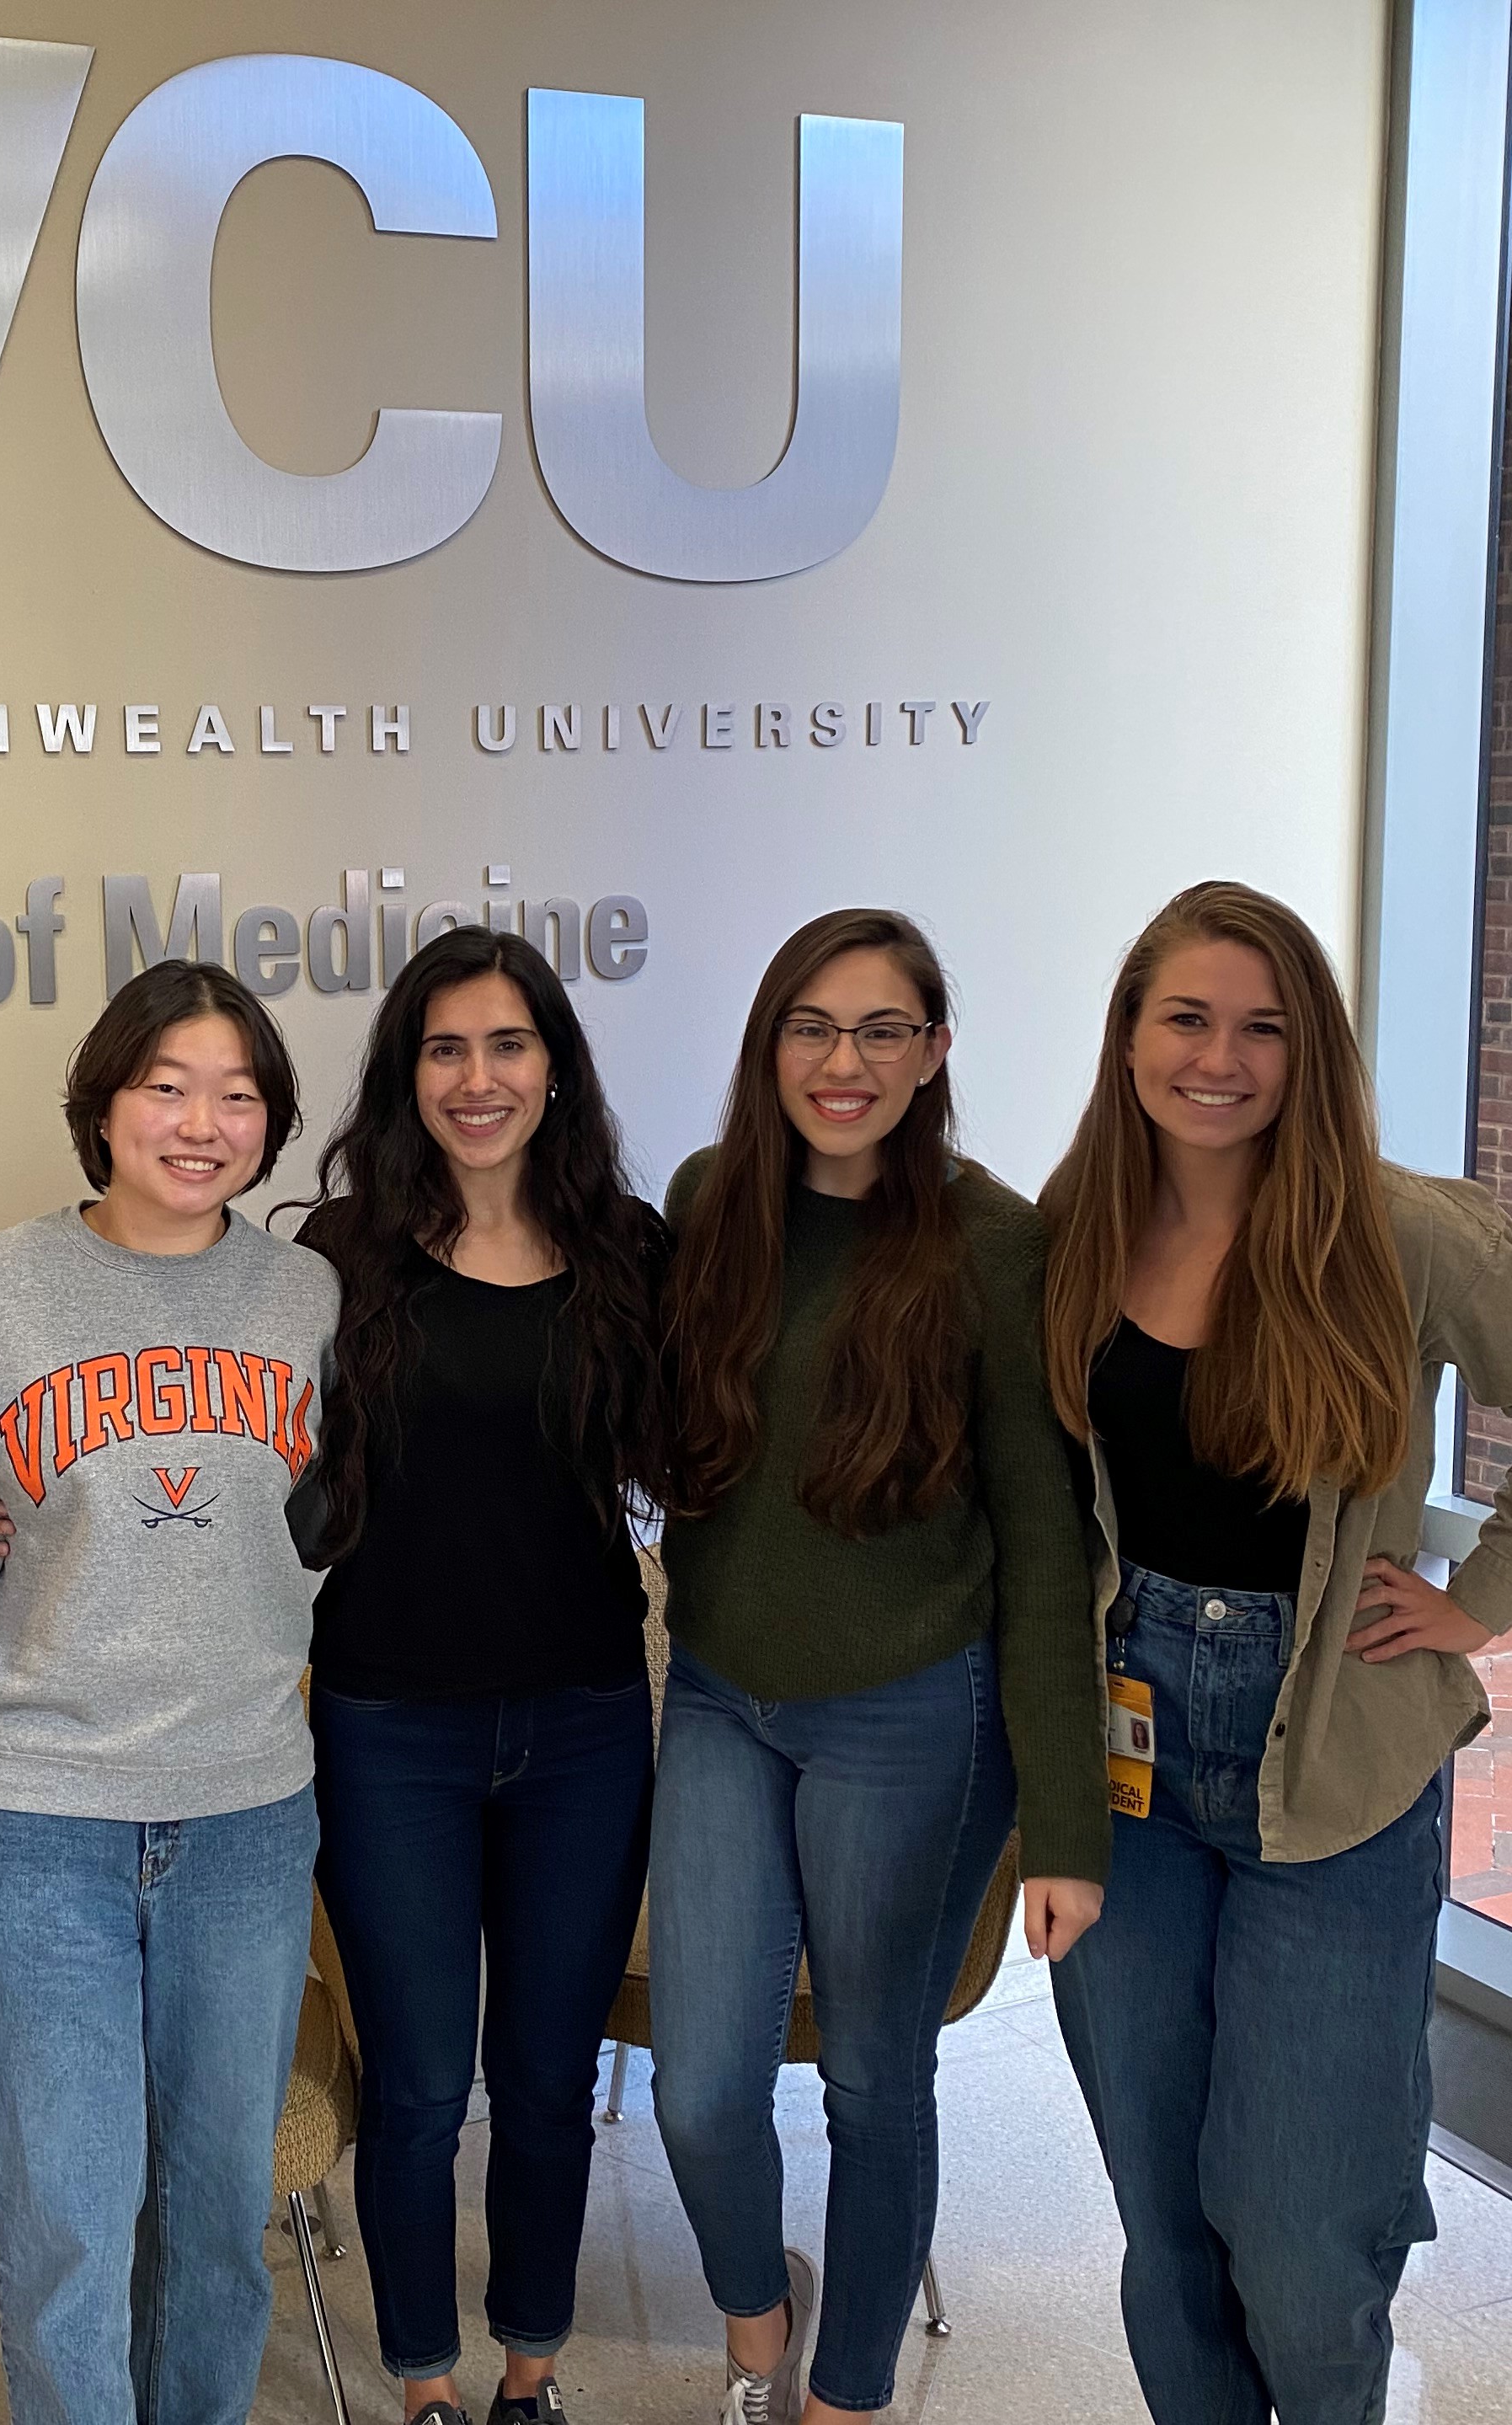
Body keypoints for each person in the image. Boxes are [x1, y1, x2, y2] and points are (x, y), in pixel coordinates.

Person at [1040, 880, 1512, 2425]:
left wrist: (1485, 1600)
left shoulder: (1398, 1231)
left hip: (1340, 1757)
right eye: (1186, 1017)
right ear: (1128, 1039)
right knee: (1166, 2214)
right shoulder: (1073, 1230)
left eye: (1264, 1026)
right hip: (1127, 1759)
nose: (1220, 1058)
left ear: (1310, 1052)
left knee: (1302, 2232)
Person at [650, 907, 1109, 2425]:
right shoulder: (712, 1199)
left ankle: (849, 2399)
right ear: (769, 1041)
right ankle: (761, 2318)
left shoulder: (995, 1244)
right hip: (723, 1694)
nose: (842, 1062)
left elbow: (1048, 1547)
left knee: (869, 2082)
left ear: (935, 1054)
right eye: (811, 1027)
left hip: (914, 1713)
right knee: (701, 2084)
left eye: (881, 1031)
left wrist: (1065, 1814)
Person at [0, 959, 339, 2425]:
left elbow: (329, 1516)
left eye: (238, 1094)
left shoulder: (304, 1295)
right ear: (102, 1102)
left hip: (246, 1811)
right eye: (166, 1085)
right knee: (68, 2224)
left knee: (220, 2219)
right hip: (41, 1815)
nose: (200, 1122)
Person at [286, 924, 668, 2425]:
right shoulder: (336, 1259)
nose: (479, 1076)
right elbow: (229, 1441)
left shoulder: (631, 1249)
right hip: (388, 1727)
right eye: (446, 1048)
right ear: (406, 1074)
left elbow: (715, 1456)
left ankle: (530, 2369)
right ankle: (425, 2381)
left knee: (550, 2078)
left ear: (556, 1067)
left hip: (583, 1724)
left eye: (510, 1044)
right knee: (426, 2082)